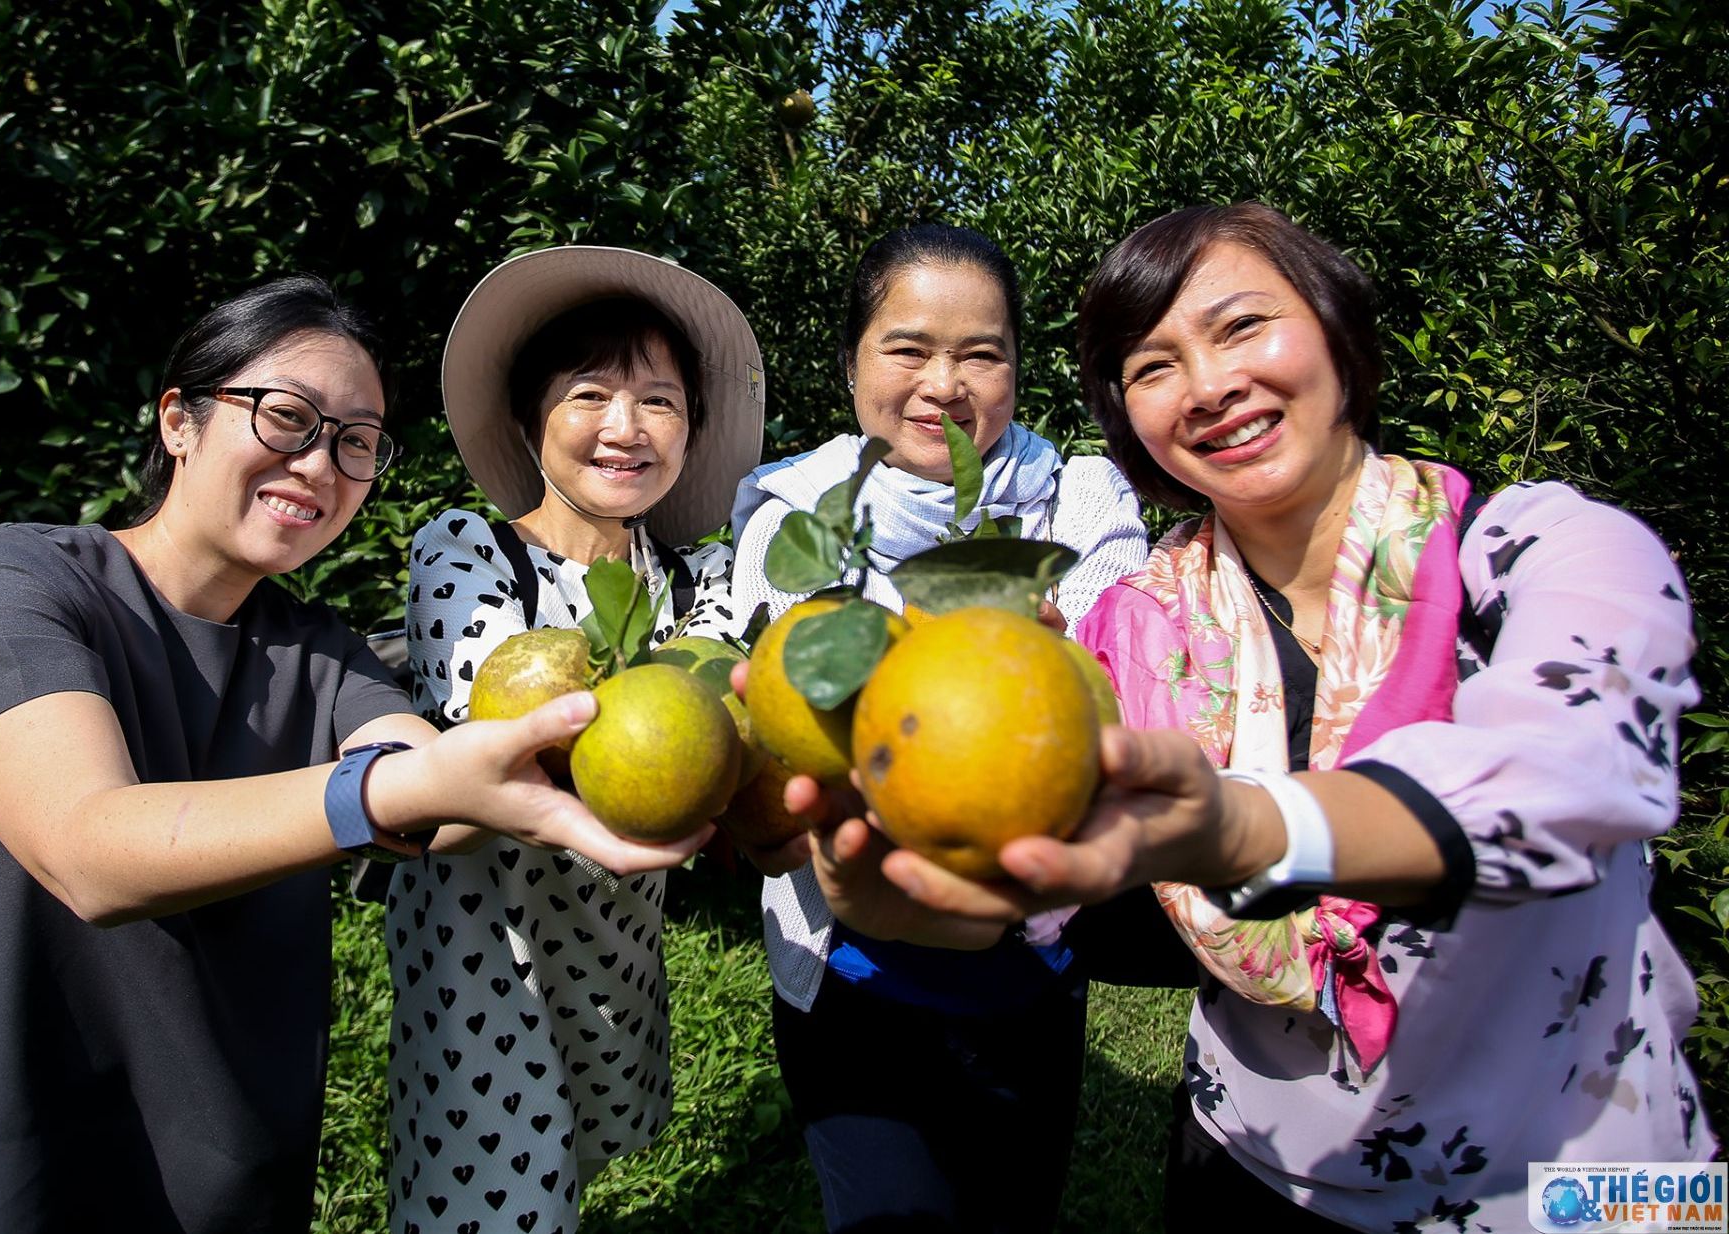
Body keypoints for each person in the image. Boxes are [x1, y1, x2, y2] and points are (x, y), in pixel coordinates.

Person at [833, 203, 1715, 1231]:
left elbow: (1574, 772)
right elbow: (1054, 867)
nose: (1209, 385)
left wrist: (1249, 827)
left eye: (1243, 325)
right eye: (1153, 365)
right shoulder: (1133, 631)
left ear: (1337, 327)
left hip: (1586, 1174)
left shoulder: (1544, 552)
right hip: (1255, 1166)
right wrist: (917, 909)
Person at [0, 275, 700, 1234]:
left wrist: (506, 781)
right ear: (178, 422)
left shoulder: (316, 655)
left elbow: (428, 788)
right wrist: (404, 789)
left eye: (356, 442)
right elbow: (89, 849)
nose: (319, 464)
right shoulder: (12, 587)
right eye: (286, 418)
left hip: (208, 1171)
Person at [728, 222, 1160, 1233]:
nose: (944, 383)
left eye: (981, 352)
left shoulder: (1075, 496)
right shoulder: (795, 519)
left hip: (1029, 962)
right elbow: (790, 733)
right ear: (851, 366)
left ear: (1016, 367)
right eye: (909, 348)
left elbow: (1102, 694)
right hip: (851, 969)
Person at [387, 247, 763, 1234]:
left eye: (661, 401)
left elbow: (725, 720)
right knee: (491, 1198)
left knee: (568, 1173)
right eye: (590, 394)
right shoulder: (467, 553)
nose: (626, 428)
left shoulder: (698, 578)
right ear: (529, 420)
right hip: (485, 951)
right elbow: (505, 732)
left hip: (612, 952)